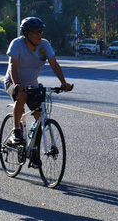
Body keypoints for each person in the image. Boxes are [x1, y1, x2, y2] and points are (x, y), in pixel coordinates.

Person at [4, 17, 73, 153]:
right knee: (21, 95)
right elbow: (13, 65)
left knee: (39, 117)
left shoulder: (44, 45)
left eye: (40, 31)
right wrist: (17, 84)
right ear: (26, 33)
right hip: (13, 82)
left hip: (32, 84)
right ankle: (16, 131)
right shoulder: (17, 44)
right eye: (35, 32)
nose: (39, 35)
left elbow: (54, 64)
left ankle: (34, 150)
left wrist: (63, 83)